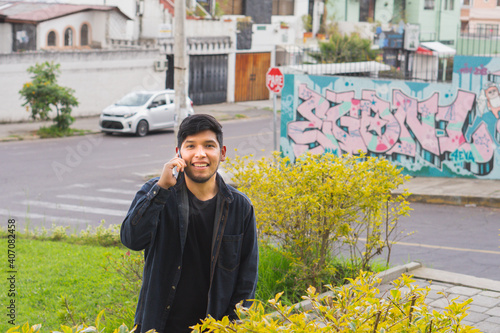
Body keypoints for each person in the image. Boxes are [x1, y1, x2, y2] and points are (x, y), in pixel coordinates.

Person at [120, 114, 259, 333]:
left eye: (209, 145)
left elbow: (247, 280)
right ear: (179, 154)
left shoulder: (240, 207)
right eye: (191, 146)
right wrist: (161, 191)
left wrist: (233, 326)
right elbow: (132, 239)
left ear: (222, 153)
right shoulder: (155, 192)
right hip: (160, 326)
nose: (200, 154)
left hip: (214, 328)